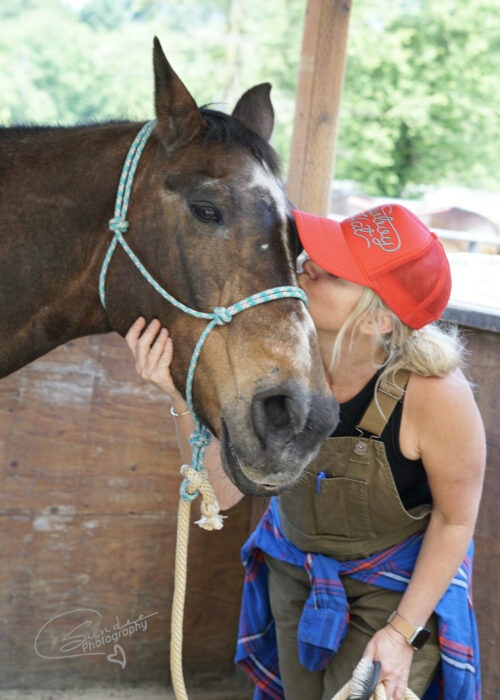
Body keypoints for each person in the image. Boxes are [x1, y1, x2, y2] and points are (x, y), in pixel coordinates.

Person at [125, 204, 485, 700]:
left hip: (396, 587)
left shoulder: (435, 394)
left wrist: (402, 634)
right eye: (314, 255)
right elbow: (223, 493)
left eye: (333, 272)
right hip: (294, 570)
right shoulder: (273, 360)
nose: (306, 265)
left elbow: (455, 520)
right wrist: (179, 395)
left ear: (378, 317)